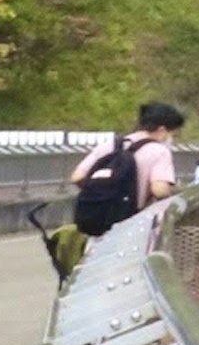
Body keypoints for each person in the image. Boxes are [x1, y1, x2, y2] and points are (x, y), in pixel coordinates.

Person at [57, 103, 182, 284]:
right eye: (173, 133)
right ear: (162, 130)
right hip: (132, 226)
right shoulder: (159, 151)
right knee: (121, 278)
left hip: (98, 222)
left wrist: (102, 193)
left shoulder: (110, 144)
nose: (171, 138)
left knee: (91, 274)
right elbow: (159, 190)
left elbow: (77, 177)